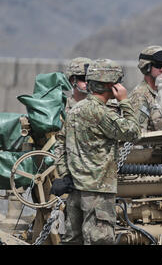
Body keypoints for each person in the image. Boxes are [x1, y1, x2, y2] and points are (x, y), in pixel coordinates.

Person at [51, 59, 141, 245]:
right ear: (110, 84)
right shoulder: (101, 113)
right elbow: (133, 132)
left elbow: (60, 144)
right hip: (98, 193)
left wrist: (65, 174)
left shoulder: (76, 110)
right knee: (100, 240)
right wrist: (125, 101)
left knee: (72, 240)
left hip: (75, 190)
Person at [54, 57, 92, 178]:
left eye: (90, 79)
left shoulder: (100, 106)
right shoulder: (61, 110)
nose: (87, 83)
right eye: (83, 79)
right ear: (72, 80)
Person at [128, 45, 162, 132]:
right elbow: (138, 138)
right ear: (147, 67)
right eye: (158, 65)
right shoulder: (140, 96)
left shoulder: (155, 94)